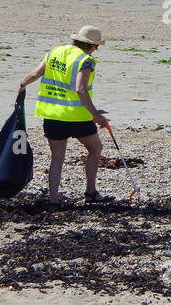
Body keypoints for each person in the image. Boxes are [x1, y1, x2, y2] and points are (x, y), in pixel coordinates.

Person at [19, 25, 113, 204]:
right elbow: (80, 89)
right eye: (96, 46)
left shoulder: (55, 52)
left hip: (52, 115)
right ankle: (91, 192)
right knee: (95, 149)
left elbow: (35, 73)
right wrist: (96, 115)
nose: (97, 49)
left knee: (57, 158)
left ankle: (54, 199)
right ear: (90, 46)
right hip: (76, 116)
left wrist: (22, 85)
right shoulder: (85, 60)